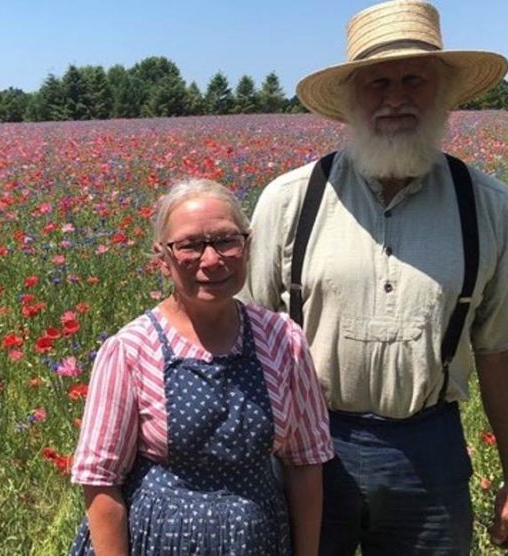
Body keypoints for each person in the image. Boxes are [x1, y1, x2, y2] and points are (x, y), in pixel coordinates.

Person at [241, 1, 508, 555]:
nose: (395, 98)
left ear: (441, 92)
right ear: (349, 98)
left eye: (414, 79)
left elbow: (505, 350)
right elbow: (243, 338)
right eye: (377, 82)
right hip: (310, 446)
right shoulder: (290, 199)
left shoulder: (487, 205)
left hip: (429, 451)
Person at [69, 178, 333, 555]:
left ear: (247, 245)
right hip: (159, 541)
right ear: (163, 258)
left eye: (226, 240)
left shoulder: (282, 339)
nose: (212, 260)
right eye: (190, 245)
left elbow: (304, 462)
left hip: (258, 541)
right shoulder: (131, 350)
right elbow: (100, 481)